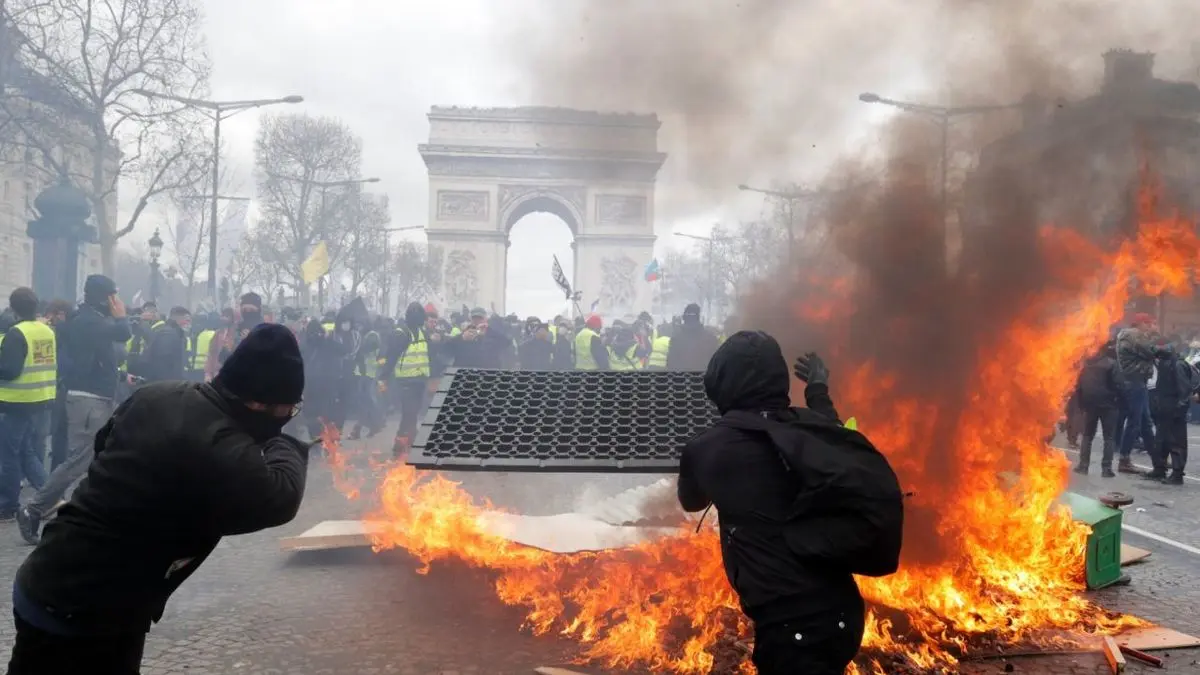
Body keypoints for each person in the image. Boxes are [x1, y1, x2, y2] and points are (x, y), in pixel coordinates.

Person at [7, 324, 310, 674]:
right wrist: (286, 443)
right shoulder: (221, 445)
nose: (287, 419)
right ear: (260, 404)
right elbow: (281, 496)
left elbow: (104, 442)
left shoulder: (158, 395)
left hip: (57, 579)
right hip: (84, 608)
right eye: (288, 411)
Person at [677, 331, 903, 675]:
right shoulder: (812, 430)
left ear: (722, 382)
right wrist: (817, 390)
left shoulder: (708, 448)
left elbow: (691, 501)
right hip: (843, 616)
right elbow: (834, 427)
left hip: (791, 632)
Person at [18, 275, 130, 545]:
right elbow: (123, 333)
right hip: (88, 398)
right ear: (104, 297)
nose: (116, 301)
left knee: (101, 456)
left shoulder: (88, 318)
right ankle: (33, 508)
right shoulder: (89, 321)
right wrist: (122, 315)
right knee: (80, 458)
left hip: (94, 396)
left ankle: (93, 513)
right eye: (113, 296)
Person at [0, 288, 56, 521]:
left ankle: (8, 505)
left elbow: (11, 371)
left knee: (9, 455)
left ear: (13, 308)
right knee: (27, 452)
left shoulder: (16, 333)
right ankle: (50, 498)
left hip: (16, 400)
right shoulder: (46, 330)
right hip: (39, 396)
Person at [382, 302, 431, 456]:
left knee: (414, 411)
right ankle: (400, 443)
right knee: (409, 412)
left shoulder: (423, 332)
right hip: (405, 380)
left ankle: (410, 439)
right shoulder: (401, 333)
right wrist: (384, 377)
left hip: (420, 379)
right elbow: (391, 357)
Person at [1148, 344, 1198, 484]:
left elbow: (1184, 389)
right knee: (1161, 440)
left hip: (1174, 409)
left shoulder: (1177, 365)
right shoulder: (1165, 363)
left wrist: (1180, 409)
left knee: (1177, 442)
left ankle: (1177, 474)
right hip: (1164, 409)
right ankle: (1160, 469)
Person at [1115, 313, 1158, 473]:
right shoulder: (1135, 335)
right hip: (1135, 382)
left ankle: (1157, 459)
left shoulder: (1128, 335)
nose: (1150, 327)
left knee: (1145, 422)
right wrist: (1164, 345)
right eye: (1148, 323)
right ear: (1140, 323)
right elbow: (1151, 351)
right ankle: (1124, 459)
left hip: (1136, 382)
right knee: (1135, 422)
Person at [1073, 340, 1121, 478]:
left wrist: (1081, 404)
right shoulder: (1111, 364)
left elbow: (1078, 386)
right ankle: (1106, 469)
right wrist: (1118, 400)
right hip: (1109, 405)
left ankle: (1083, 466)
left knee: (1087, 436)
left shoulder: (1085, 364)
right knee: (1109, 437)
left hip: (1090, 405)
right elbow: (1119, 384)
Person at [143, 306, 192, 383]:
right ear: (178, 319)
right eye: (187, 320)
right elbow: (163, 362)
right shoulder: (168, 334)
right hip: (167, 384)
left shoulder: (176, 334)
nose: (189, 324)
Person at [666, 303, 719, 371]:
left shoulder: (676, 338)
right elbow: (716, 363)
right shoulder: (711, 338)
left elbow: (670, 363)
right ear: (699, 317)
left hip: (680, 379)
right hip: (703, 379)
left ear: (684, 318)